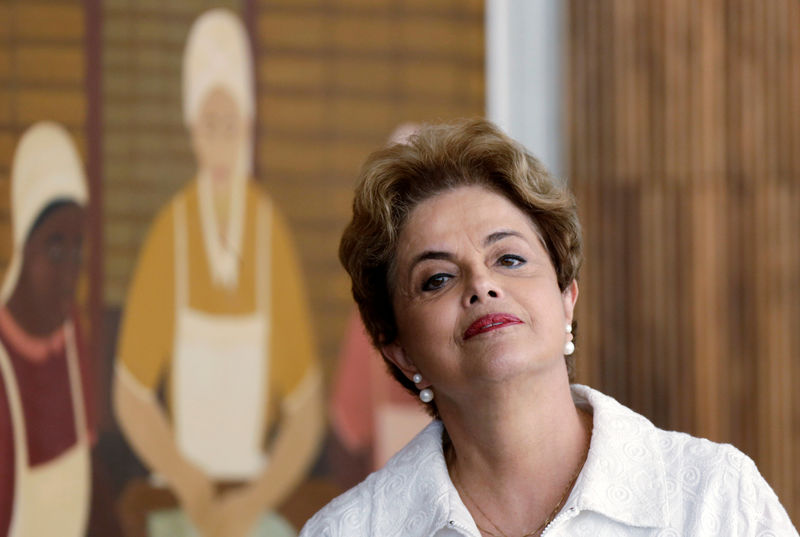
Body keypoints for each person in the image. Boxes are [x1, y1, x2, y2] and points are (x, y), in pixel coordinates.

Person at [300, 119, 798, 536]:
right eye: (438, 279)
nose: (481, 285)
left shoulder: (715, 499)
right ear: (400, 352)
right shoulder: (348, 531)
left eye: (510, 258)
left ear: (567, 298)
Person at [113, 9, 323, 537]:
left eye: (231, 126)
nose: (221, 143)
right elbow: (130, 393)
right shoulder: (173, 234)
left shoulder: (269, 235)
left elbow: (306, 408)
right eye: (210, 127)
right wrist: (190, 484)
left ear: (249, 126)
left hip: (252, 495)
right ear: (192, 131)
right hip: (179, 496)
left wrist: (255, 500)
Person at [0, 122, 94, 537]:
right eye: (55, 249)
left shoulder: (72, 339)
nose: (69, 272)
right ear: (24, 243)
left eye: (77, 250)